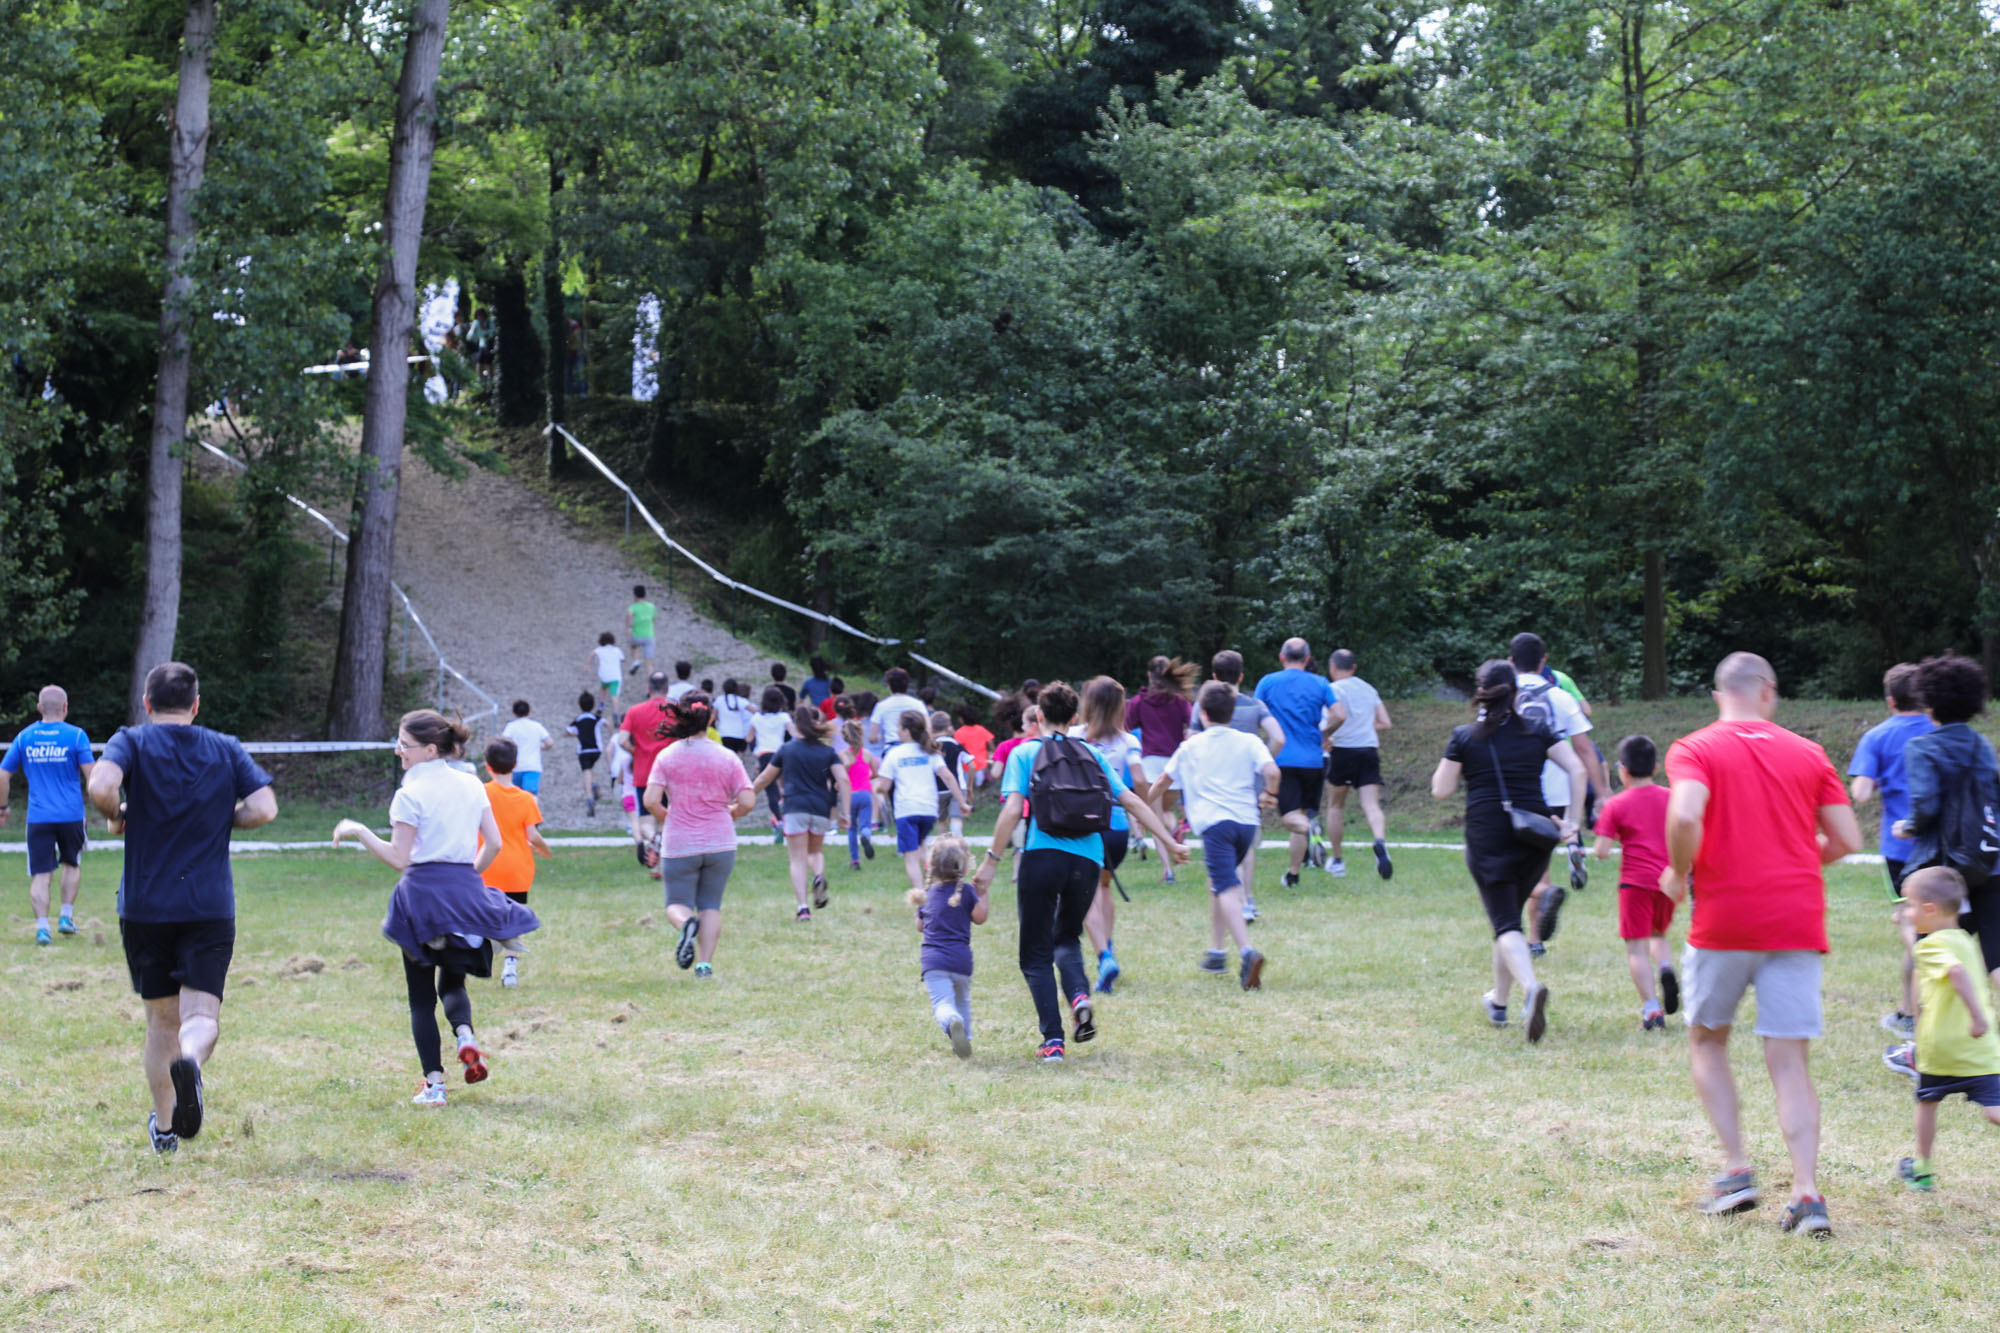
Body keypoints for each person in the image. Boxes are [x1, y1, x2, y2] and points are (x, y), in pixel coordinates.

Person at [1661, 652, 1859, 1236]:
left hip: (1723, 921)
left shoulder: (1694, 749)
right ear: (1768, 691)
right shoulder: (1809, 753)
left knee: (1707, 1039)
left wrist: (1678, 871)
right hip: (1795, 920)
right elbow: (1846, 839)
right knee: (1789, 1061)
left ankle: (1736, 1171)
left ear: (1718, 694)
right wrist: (1794, 856)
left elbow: (1685, 816)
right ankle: (1806, 1194)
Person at [85, 663, 277, 1153]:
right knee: (201, 1014)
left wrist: (117, 815)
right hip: (208, 905)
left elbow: (101, 788)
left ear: (146, 702)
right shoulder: (225, 746)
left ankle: (166, 1130)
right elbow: (264, 808)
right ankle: (190, 1058)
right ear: (196, 704)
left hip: (146, 906)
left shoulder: (131, 741)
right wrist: (223, 819)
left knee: (161, 1022)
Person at [971, 682, 1189, 1063]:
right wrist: (1169, 842)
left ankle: (1053, 1041)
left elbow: (1012, 810)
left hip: (1042, 855)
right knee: (1068, 937)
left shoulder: (1025, 753)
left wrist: (991, 861)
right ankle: (1079, 997)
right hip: (1088, 860)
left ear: (1039, 715)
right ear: (1074, 718)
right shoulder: (1093, 754)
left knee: (1035, 953)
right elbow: (1132, 800)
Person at [335, 712, 539, 1107]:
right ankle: (465, 1035)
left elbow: (399, 858)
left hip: (422, 901)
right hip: (465, 896)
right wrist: (465, 881)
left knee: (420, 998)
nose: (398, 751)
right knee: (453, 983)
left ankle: (435, 1086)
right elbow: (494, 844)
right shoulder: (471, 785)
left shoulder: (409, 794)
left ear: (430, 750)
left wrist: (359, 831)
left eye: (404, 745)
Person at [1431, 661, 1585, 1046]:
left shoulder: (1465, 736)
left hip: (1489, 836)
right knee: (1509, 919)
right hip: (1535, 836)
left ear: (1480, 693)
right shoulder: (1537, 730)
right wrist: (1572, 822)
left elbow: (1441, 790)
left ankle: (1531, 989)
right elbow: (1578, 770)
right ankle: (1498, 1003)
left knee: (1505, 924)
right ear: (1516, 692)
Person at [1884, 654, 2000, 1078]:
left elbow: (1927, 807)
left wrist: (1906, 827)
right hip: (1989, 863)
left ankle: (1922, 1052)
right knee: (1996, 957)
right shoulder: (1982, 745)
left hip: (1942, 871)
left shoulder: (1922, 746)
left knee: (1929, 952)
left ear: (1928, 702)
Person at [1155, 682, 1282, 989]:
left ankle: (1247, 951)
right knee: (1218, 882)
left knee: (1225, 885)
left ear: (1203, 714)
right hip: (1246, 824)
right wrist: (1269, 794)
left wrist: (1142, 805)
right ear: (1231, 712)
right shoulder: (1249, 740)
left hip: (1216, 825)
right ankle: (1216, 952)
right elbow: (1273, 772)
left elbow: (1162, 782)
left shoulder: (1191, 746)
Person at [1893, 866, 2000, 1193]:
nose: (1905, 913)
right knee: (1994, 1108)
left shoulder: (1930, 945)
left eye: (1909, 906)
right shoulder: (1966, 940)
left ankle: (1923, 1171)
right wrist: (1980, 1021)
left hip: (1941, 1048)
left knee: (1927, 1101)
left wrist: (1976, 1016)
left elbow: (1954, 972)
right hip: (1980, 1047)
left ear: (1929, 909)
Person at [1847, 663, 1934, 1041]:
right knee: (1926, 924)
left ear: (1890, 700)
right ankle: (1907, 1012)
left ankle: (1916, 1011)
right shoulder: (1940, 729)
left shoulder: (1878, 736)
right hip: (1943, 844)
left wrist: (1884, 777)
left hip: (1901, 849)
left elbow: (1861, 793)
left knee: (1914, 929)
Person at [643, 693, 755, 979]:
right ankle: (704, 966)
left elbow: (651, 800)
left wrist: (668, 817)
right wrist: (732, 813)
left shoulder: (668, 755)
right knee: (710, 905)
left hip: (680, 842)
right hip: (721, 842)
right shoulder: (727, 756)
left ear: (680, 716)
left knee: (676, 903)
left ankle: (686, 925)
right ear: (712, 717)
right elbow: (748, 801)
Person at [1508, 633, 1609, 950]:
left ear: (1510, 661)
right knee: (1539, 862)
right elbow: (1585, 749)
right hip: (1556, 790)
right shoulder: (1560, 696)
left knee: (1516, 867)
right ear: (1544, 661)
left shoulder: (1500, 694)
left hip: (1514, 789)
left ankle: (1522, 935)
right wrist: (1601, 792)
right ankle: (1535, 939)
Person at [1591, 735, 1678, 1031]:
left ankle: (1652, 1010)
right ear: (1655, 767)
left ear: (1622, 770)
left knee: (1636, 949)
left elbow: (1602, 851)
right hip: (1667, 881)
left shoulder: (1617, 804)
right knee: (1658, 935)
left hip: (1635, 884)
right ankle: (1665, 967)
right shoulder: (1672, 797)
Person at [1, 684, 95, 944]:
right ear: (65, 707)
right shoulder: (76, 736)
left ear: (39, 708)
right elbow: (93, 776)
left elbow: (2, 775)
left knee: (41, 873)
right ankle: (66, 917)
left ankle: (43, 929)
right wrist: (104, 805)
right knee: (72, 864)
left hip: (38, 817)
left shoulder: (24, 737)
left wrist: (3, 807)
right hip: (71, 815)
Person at [1191, 650, 1285, 904]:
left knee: (1220, 841)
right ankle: (1247, 898)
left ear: (1214, 676)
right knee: (1246, 843)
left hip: (1213, 783)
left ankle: (1231, 899)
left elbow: (1191, 741)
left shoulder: (1203, 706)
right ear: (1241, 676)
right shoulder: (1256, 705)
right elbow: (1278, 738)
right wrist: (1261, 761)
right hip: (1248, 783)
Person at [751, 705, 852, 921]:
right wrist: (846, 812)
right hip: (821, 808)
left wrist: (747, 796)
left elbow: (765, 778)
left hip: (795, 807)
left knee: (797, 859)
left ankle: (803, 908)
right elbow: (843, 779)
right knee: (815, 852)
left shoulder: (787, 749)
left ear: (796, 725)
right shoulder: (828, 752)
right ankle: (818, 876)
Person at [1076, 677, 1146, 990]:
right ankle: (1110, 946)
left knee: (1086, 891)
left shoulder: (1074, 736)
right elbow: (1140, 780)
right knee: (1104, 886)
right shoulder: (1128, 741)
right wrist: (1143, 811)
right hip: (1117, 826)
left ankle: (1104, 956)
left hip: (1084, 824)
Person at [1253, 639, 1337, 888]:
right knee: (1300, 817)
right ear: (1307, 658)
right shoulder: (1320, 683)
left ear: (1282, 657)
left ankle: (1311, 830)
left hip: (1283, 760)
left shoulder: (1267, 682)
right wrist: (1326, 734)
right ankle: (1293, 874)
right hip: (1313, 761)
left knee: (1291, 819)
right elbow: (1340, 713)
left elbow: (1256, 714)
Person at [479, 737, 551, 988]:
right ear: (516, 765)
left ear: (487, 765)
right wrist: (544, 848)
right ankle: (510, 967)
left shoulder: (480, 793)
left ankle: (480, 959)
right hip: (517, 870)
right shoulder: (526, 798)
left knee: (483, 915)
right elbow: (533, 835)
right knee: (513, 919)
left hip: (486, 866)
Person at [907, 837, 987, 1059]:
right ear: (963, 865)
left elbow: (919, 927)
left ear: (932, 866)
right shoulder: (967, 891)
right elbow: (980, 918)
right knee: (962, 1001)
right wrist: (983, 894)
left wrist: (919, 910)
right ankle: (965, 1037)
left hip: (934, 962)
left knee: (943, 1003)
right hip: (961, 960)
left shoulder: (928, 893)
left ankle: (952, 1021)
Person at [1321, 649, 1395, 882]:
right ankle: (1380, 842)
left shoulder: (1333, 689)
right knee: (1371, 805)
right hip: (1368, 751)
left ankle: (1337, 860)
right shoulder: (1368, 689)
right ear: (1354, 668)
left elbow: (1334, 717)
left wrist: (1325, 735)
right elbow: (1385, 723)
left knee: (1335, 806)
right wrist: (1363, 726)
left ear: (1332, 667)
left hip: (1342, 751)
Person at [877, 711, 969, 895]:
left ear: (906, 731)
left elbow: (883, 787)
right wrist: (962, 802)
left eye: (899, 727)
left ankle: (922, 897)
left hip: (906, 810)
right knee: (921, 845)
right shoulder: (930, 752)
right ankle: (930, 868)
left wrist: (878, 791)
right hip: (928, 810)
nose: (897, 731)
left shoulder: (894, 754)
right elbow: (948, 777)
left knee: (910, 857)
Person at [1127, 656, 1196, 882]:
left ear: (1149, 675)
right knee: (1167, 813)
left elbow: (1125, 727)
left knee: (1155, 818)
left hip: (1150, 763)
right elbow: (1193, 724)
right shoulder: (1180, 701)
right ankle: (1176, 832)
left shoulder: (1139, 702)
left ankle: (1168, 870)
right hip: (1174, 764)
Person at [617, 671, 676, 864]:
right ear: (667, 689)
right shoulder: (675, 711)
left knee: (644, 820)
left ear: (648, 689)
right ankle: (662, 853)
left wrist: (636, 752)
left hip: (644, 773)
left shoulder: (634, 711)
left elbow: (622, 740)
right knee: (665, 817)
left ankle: (652, 840)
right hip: (669, 773)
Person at [750, 686, 795, 833]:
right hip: (782, 753)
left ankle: (778, 820)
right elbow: (794, 733)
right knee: (784, 785)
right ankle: (784, 810)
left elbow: (749, 738)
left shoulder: (757, 718)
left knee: (770, 790)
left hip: (764, 755)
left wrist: (755, 751)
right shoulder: (784, 717)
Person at [867, 667, 927, 759]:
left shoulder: (881, 706)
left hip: (891, 750)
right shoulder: (918, 704)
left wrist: (878, 737)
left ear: (889, 685)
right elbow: (928, 729)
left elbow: (872, 738)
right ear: (907, 684)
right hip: (915, 749)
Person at [840, 720, 877, 868]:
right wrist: (866, 778)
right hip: (865, 794)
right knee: (865, 824)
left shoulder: (843, 754)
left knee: (851, 828)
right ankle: (866, 836)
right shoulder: (867, 754)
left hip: (849, 795)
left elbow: (841, 775)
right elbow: (876, 773)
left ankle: (855, 860)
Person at [931, 709, 970, 837]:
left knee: (941, 820)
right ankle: (958, 839)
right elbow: (972, 764)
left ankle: (941, 845)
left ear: (932, 729)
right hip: (957, 787)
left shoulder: (931, 746)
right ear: (949, 728)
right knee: (956, 818)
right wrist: (969, 786)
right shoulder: (955, 745)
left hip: (938, 789)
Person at [500, 700, 552, 795]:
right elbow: (550, 742)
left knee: (515, 795)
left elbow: (503, 742)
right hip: (532, 766)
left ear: (514, 714)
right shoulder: (537, 726)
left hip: (516, 767)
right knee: (530, 795)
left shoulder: (511, 726)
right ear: (529, 713)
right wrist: (541, 746)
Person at [567, 692, 604, 817]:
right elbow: (607, 723)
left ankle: (589, 797)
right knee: (590, 768)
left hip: (584, 751)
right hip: (597, 750)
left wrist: (577, 734)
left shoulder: (578, 720)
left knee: (586, 771)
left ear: (580, 705)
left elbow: (566, 732)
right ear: (593, 705)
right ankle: (595, 784)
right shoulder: (595, 718)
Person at [954, 702, 995, 792]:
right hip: (982, 764)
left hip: (967, 765)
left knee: (967, 787)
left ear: (962, 719)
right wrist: (992, 753)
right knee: (982, 788)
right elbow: (990, 742)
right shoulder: (981, 729)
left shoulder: (959, 733)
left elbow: (957, 749)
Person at [715, 678, 756, 756]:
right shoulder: (741, 700)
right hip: (739, 734)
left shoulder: (719, 700)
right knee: (738, 758)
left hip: (724, 734)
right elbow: (755, 712)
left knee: (727, 757)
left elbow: (714, 716)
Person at [626, 585, 657, 677]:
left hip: (637, 636)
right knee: (649, 663)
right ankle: (651, 679)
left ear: (635, 595)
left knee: (632, 645)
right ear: (645, 594)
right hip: (649, 636)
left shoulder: (633, 607)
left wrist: (628, 628)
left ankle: (636, 661)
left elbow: (629, 616)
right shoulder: (652, 606)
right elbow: (654, 620)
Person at [590, 632, 623, 716]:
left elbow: (591, 654)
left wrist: (587, 665)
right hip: (615, 677)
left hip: (604, 676)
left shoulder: (600, 649)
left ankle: (601, 706)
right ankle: (616, 714)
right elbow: (623, 660)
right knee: (614, 696)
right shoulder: (617, 650)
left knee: (603, 689)